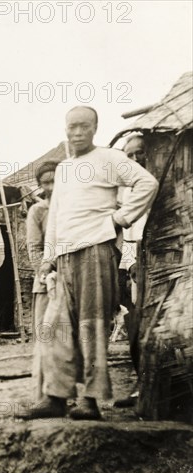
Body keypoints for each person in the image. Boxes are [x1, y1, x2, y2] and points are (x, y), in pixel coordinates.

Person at [19, 106, 158, 420]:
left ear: (95, 128)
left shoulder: (109, 159)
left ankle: (90, 402)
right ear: (65, 130)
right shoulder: (65, 169)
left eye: (83, 126)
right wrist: (48, 257)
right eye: (71, 127)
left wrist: (120, 218)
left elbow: (147, 184)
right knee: (54, 326)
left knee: (91, 328)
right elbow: (55, 218)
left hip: (96, 251)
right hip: (65, 257)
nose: (77, 132)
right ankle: (56, 397)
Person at [114, 134, 151, 408]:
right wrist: (128, 264)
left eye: (141, 153)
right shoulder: (125, 191)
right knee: (135, 324)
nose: (136, 159)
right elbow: (127, 234)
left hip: (164, 259)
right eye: (130, 156)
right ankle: (142, 385)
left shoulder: (160, 185)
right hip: (133, 259)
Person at [26, 159, 60, 400]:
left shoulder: (73, 209)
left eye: (55, 180)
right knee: (45, 337)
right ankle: (43, 396)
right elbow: (34, 248)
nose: (51, 186)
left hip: (69, 281)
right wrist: (46, 271)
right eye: (45, 182)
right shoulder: (38, 211)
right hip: (46, 283)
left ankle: (63, 394)